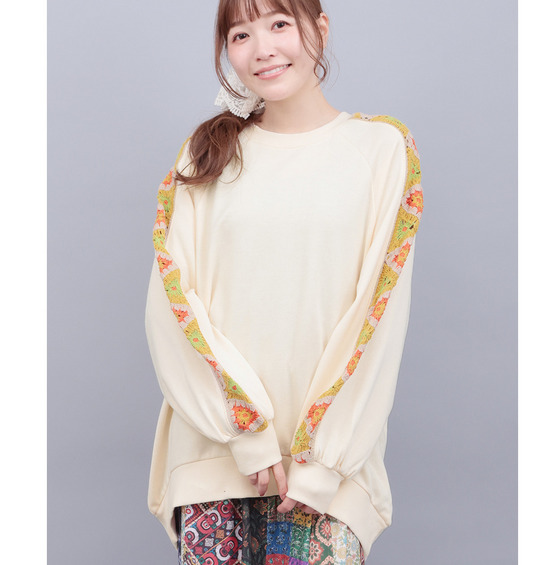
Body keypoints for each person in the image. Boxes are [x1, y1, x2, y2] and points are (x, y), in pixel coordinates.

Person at [145, 0, 423, 563]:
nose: (263, 48)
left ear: (320, 29)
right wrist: (244, 432)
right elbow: (170, 308)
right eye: (240, 34)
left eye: (279, 24)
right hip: (214, 460)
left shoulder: (382, 149)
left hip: (325, 477)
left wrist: (323, 462)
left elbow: (379, 314)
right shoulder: (205, 155)